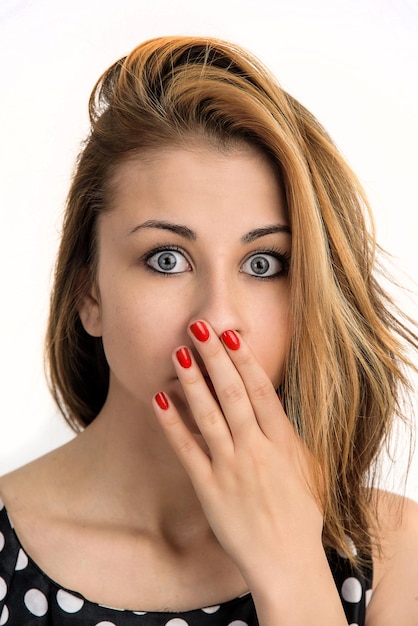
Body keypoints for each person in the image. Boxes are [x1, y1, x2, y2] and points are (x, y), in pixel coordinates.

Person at [0, 35, 417, 626]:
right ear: (88, 293)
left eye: (263, 264)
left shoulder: (399, 556)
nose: (217, 319)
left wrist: (292, 571)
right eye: (166, 258)